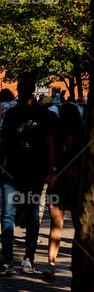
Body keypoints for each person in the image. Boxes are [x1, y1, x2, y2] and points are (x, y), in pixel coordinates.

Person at [0, 72, 57, 275]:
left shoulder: (44, 115)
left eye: (26, 86)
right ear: (18, 89)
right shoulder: (11, 114)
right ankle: (7, 258)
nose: (23, 90)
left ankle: (29, 257)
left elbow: (49, 144)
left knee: (32, 216)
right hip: (11, 171)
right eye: (21, 86)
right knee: (7, 216)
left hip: (35, 172)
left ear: (32, 89)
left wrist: (52, 169)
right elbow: (3, 143)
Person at [44, 102, 83, 278]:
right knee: (77, 226)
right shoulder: (82, 135)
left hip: (61, 180)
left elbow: (50, 155)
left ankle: (51, 264)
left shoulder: (56, 133)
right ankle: (74, 263)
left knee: (56, 226)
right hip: (74, 180)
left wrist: (51, 171)